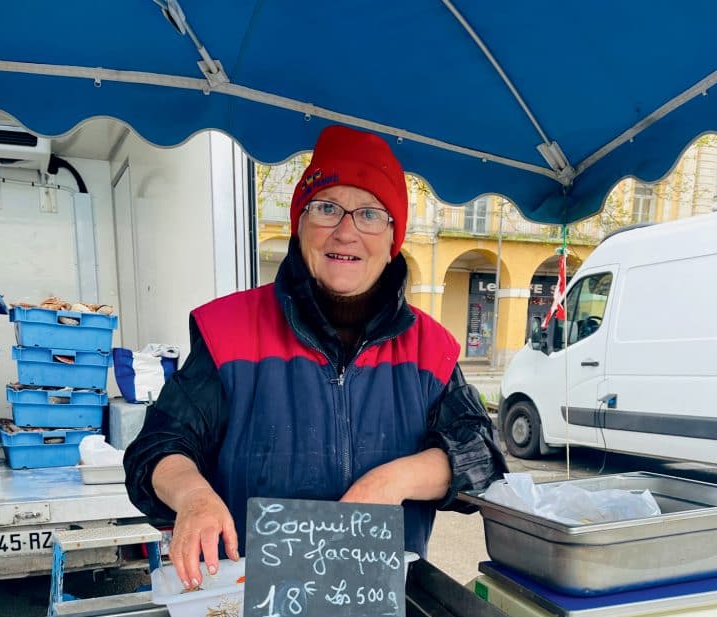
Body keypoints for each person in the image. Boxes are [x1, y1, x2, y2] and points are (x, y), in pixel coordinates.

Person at [124, 125, 507, 589]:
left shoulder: (431, 348)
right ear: (299, 224)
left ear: (392, 239)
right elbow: (159, 446)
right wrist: (193, 496)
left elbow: (482, 456)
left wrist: (391, 482)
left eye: (368, 213)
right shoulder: (227, 331)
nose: (346, 231)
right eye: (326, 208)